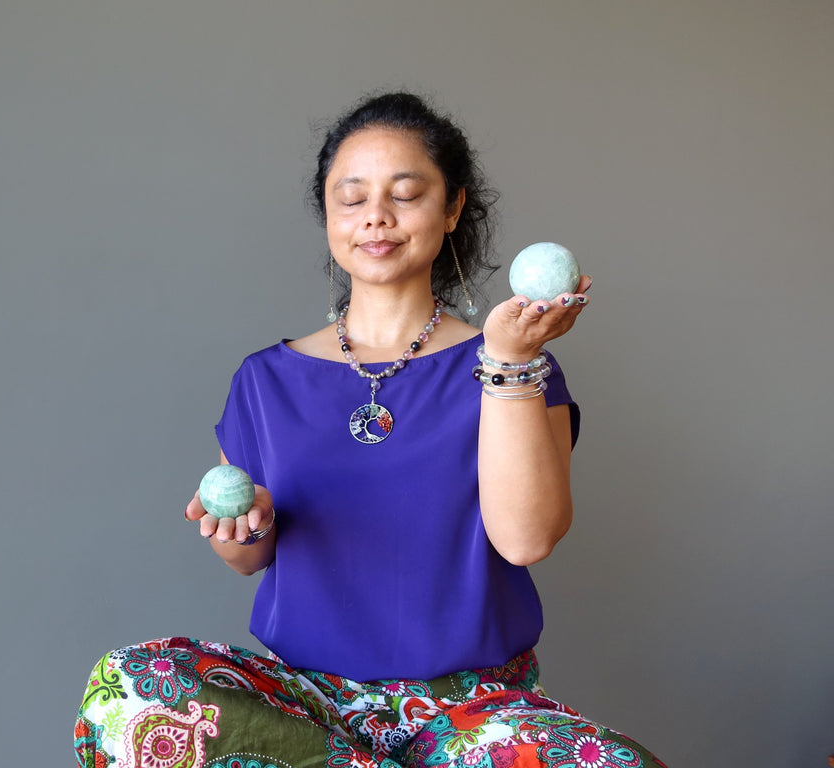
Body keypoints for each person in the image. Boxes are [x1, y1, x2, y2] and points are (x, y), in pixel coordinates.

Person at [75, 91, 665, 768]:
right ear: (327, 214)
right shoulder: (265, 379)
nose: (375, 216)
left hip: (472, 716)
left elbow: (525, 539)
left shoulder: (519, 368)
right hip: (303, 711)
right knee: (127, 689)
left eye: (406, 193)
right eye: (350, 197)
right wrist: (246, 528)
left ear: (452, 210)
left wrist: (507, 362)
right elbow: (248, 558)